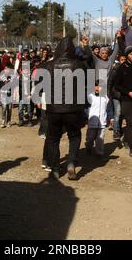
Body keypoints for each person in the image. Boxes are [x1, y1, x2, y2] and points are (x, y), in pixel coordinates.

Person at [45, 37, 87, 180]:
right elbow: (85, 85)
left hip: (54, 109)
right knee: (74, 136)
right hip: (73, 108)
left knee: (53, 138)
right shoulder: (79, 65)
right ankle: (71, 163)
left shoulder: (49, 66)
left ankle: (55, 169)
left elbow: (42, 85)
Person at [85, 81, 110, 159]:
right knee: (90, 137)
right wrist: (87, 116)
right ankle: (88, 146)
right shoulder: (90, 96)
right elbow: (85, 107)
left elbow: (109, 109)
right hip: (92, 121)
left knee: (100, 138)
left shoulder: (106, 97)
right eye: (96, 86)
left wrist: (111, 118)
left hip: (102, 121)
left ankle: (99, 153)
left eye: (100, 86)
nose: (98, 88)